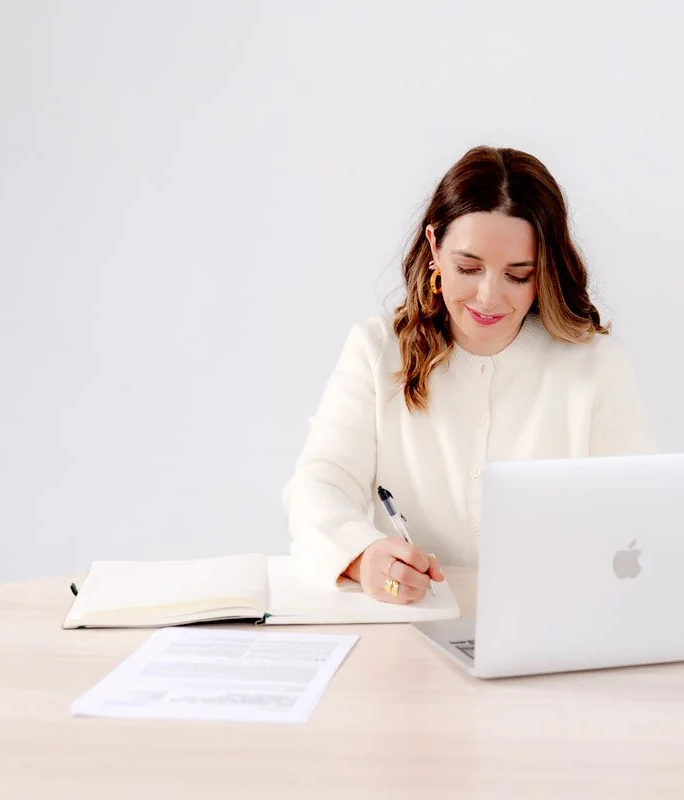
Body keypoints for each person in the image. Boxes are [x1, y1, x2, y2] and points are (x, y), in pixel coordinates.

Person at [281, 145, 657, 606]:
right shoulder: (376, 352)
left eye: (518, 275)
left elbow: (640, 514)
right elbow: (319, 485)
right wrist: (364, 556)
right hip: (415, 625)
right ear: (434, 247)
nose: (488, 297)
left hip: (555, 620)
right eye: (468, 268)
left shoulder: (596, 365)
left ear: (546, 271)